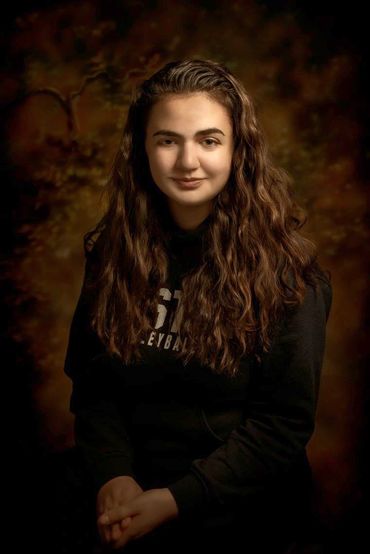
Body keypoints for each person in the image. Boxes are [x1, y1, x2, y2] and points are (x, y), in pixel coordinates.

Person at [60, 58, 333, 553]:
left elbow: (282, 425)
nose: (188, 161)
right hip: (128, 508)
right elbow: (94, 387)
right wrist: (113, 476)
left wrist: (176, 500)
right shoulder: (113, 255)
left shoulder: (289, 275)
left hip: (249, 524)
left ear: (237, 150)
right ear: (142, 151)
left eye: (209, 140)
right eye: (168, 140)